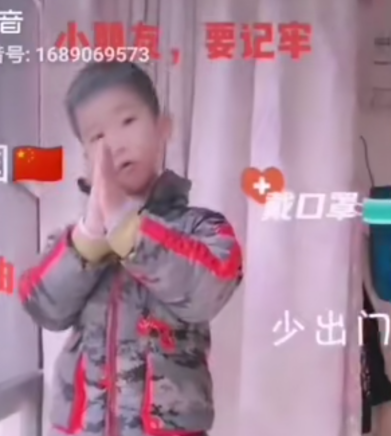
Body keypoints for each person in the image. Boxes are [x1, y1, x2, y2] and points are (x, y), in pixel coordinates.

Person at [19, 61, 243, 436]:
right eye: (97, 136)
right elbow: (42, 305)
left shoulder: (201, 227)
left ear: (162, 127)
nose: (116, 143)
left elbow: (208, 291)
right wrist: (91, 234)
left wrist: (128, 227)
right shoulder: (73, 240)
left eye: (127, 121)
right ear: (87, 158)